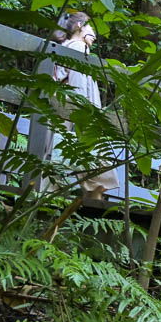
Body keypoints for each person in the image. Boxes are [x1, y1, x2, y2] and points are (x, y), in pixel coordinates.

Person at [50, 11, 120, 201]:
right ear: (79, 26)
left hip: (59, 107)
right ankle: (93, 207)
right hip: (75, 111)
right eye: (91, 27)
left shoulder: (64, 47)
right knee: (93, 160)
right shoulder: (79, 47)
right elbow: (78, 84)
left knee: (56, 157)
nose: (95, 34)